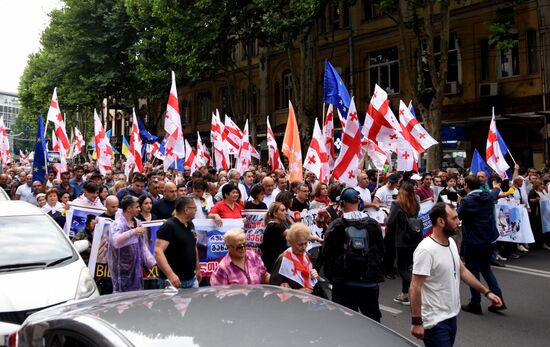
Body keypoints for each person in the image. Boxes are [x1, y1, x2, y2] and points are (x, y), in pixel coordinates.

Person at [410, 203, 502, 346]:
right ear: (441, 221)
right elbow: (415, 286)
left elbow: (462, 271)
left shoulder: (451, 242)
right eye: (454, 218)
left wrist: (487, 292)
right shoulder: (426, 250)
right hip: (435, 322)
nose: (459, 222)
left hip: (451, 316)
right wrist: (416, 321)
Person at [323, 188, 385, 322]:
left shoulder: (337, 225)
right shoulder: (373, 225)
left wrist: (333, 277)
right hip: (369, 283)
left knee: (345, 325)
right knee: (373, 324)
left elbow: (327, 253)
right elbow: (381, 251)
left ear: (343, 203)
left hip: (344, 283)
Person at [458, 175, 506, 314]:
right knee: (486, 268)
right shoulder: (488, 195)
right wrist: (497, 186)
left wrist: (460, 203)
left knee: (473, 272)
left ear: (466, 185)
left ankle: (475, 302)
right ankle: (499, 300)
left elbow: (457, 216)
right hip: (490, 240)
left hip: (474, 241)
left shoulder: (467, 201)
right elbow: (496, 191)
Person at [108, 196, 156, 292]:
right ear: (129, 208)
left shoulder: (137, 223)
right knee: (123, 298)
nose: (139, 209)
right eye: (137, 207)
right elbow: (116, 240)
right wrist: (133, 232)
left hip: (136, 266)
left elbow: (142, 244)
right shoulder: (117, 224)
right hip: (121, 268)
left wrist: (150, 261)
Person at [154, 197, 202, 288]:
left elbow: (193, 246)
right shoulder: (168, 226)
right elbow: (158, 252)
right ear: (186, 210)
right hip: (173, 282)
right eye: (194, 208)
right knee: (170, 303)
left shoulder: (190, 224)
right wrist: (170, 275)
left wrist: (197, 268)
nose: (196, 210)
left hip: (191, 279)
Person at [386, 181, 421, 305]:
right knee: (408, 267)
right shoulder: (415, 203)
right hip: (415, 238)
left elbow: (390, 222)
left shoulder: (397, 204)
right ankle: (404, 294)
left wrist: (386, 217)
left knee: (402, 269)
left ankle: (419, 289)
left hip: (402, 239)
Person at [270, 223, 319, 293]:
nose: (304, 247)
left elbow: (312, 280)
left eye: (306, 243)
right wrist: (297, 292)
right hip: (293, 302)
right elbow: (274, 289)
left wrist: (314, 275)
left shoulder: (306, 255)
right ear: (290, 242)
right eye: (300, 244)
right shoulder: (283, 260)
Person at [260, 202, 290, 272]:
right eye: (282, 210)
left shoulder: (275, 225)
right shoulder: (275, 226)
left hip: (275, 263)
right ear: (275, 214)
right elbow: (295, 235)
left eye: (285, 210)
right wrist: (316, 238)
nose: (285, 213)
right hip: (272, 265)